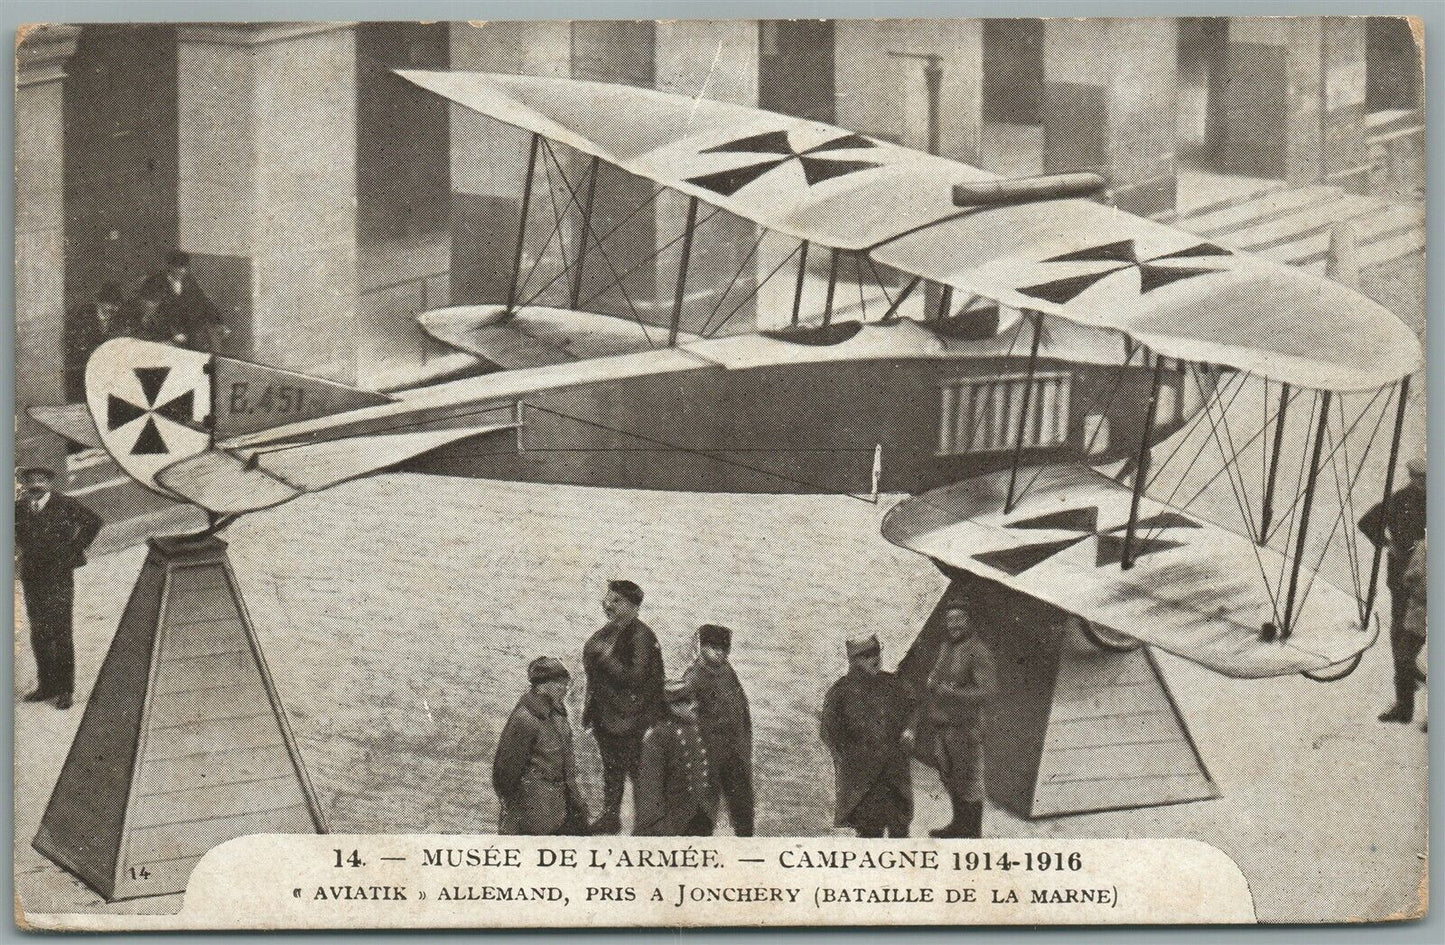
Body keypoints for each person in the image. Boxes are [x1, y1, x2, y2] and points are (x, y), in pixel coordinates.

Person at [14, 466, 103, 710]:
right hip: (33, 575)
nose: (36, 485)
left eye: (41, 481)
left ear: (50, 482)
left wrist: (74, 550)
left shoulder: (65, 504)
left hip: (58, 575)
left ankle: (65, 689)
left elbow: (94, 522)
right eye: (31, 481)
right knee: (39, 630)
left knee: (61, 630)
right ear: (25, 484)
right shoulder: (18, 508)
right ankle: (47, 686)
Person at [581, 579, 665, 834]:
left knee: (640, 774)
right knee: (612, 770)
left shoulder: (642, 636)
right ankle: (611, 817)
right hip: (607, 716)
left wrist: (605, 658)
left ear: (634, 606)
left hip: (633, 719)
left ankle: (648, 825)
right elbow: (593, 676)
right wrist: (589, 709)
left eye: (616, 601)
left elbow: (636, 678)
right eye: (607, 600)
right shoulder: (607, 633)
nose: (608, 605)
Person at [820, 634, 919, 838]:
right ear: (853, 661)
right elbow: (829, 731)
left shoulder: (892, 683)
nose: (874, 659)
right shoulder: (840, 692)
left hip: (894, 776)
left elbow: (914, 706)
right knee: (869, 834)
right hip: (865, 782)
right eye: (866, 655)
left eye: (876, 653)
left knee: (900, 832)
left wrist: (910, 729)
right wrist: (851, 757)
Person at [917, 601, 997, 838]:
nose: (954, 625)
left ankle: (971, 833)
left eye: (960, 619)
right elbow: (936, 678)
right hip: (944, 725)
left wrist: (951, 692)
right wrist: (933, 681)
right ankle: (959, 825)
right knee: (950, 777)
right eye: (950, 620)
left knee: (969, 781)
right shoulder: (947, 647)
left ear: (970, 621)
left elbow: (988, 692)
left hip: (966, 728)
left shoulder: (978, 651)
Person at [1359, 454, 1426, 723]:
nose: (1420, 484)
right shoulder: (1399, 500)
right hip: (1404, 581)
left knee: (1406, 639)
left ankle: (1408, 679)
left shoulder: (1403, 500)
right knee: (1401, 637)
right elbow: (1367, 523)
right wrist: (1389, 545)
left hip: (1420, 581)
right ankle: (1405, 696)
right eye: (1418, 479)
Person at [492, 656, 589, 835]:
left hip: (561, 809)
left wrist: (577, 803)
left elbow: (567, 766)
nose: (565, 689)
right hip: (533, 813)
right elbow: (504, 774)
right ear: (543, 685)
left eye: (565, 683)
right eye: (560, 683)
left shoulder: (559, 715)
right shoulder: (525, 719)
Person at [682, 624, 755, 836]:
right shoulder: (694, 677)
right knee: (703, 808)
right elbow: (688, 718)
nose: (719, 652)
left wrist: (744, 744)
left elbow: (741, 710)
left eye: (724, 648)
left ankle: (747, 843)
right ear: (702, 647)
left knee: (742, 806)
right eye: (713, 647)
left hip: (734, 751)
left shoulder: (728, 673)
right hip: (708, 753)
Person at [634, 679, 716, 836]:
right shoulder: (658, 737)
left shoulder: (696, 729)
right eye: (687, 702)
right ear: (673, 707)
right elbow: (650, 790)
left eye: (694, 700)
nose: (695, 705)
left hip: (699, 817)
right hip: (671, 824)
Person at [136, 250, 226, 350]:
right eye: (178, 267)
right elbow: (152, 312)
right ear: (169, 267)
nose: (182, 271)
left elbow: (203, 300)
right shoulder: (155, 282)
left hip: (184, 328)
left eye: (184, 268)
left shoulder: (188, 280)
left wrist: (219, 321)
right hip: (161, 329)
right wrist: (174, 333)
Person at [64, 282, 128, 403]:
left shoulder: (118, 318)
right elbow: (77, 347)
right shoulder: (82, 316)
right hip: (81, 372)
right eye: (109, 305)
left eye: (117, 305)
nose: (113, 309)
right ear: (99, 302)